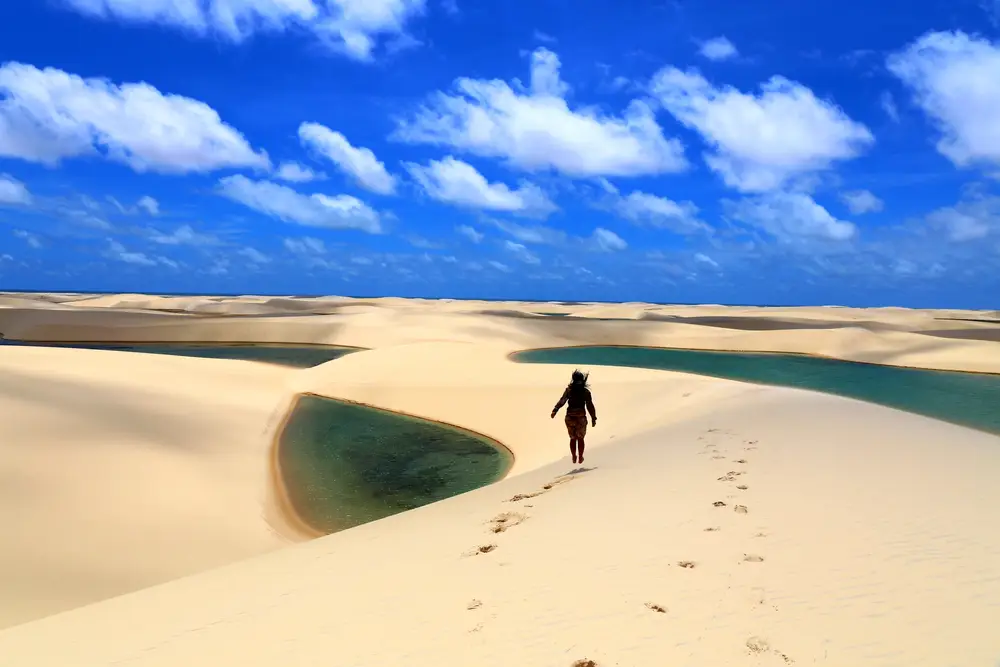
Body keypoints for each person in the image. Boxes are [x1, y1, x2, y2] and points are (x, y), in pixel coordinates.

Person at [550, 369, 597, 464]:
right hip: (581, 418)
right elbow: (589, 405)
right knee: (580, 438)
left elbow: (562, 400)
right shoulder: (585, 392)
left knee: (572, 438)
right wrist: (593, 417)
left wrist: (555, 410)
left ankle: (574, 456)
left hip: (570, 417)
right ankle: (580, 456)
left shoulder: (569, 390)